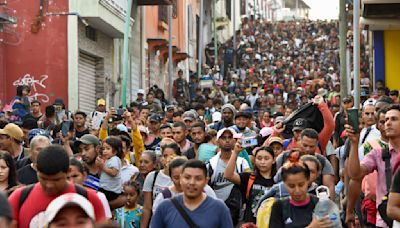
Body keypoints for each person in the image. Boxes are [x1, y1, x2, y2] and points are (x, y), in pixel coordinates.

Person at [8, 145, 105, 227]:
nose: (49, 185)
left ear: (68, 171)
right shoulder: (19, 198)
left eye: (56, 179)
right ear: (36, 169)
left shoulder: (90, 198)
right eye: (44, 178)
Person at [346, 104, 400, 228]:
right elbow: (355, 174)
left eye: (394, 119)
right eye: (386, 120)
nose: (388, 123)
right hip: (385, 222)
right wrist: (354, 144)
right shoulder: (377, 153)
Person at [151, 160, 233, 228]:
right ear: (181, 179)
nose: (192, 182)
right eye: (187, 177)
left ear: (206, 181)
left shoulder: (219, 208)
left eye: (198, 178)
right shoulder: (164, 207)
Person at [268, 152, 333, 228]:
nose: (297, 190)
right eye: (291, 186)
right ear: (284, 184)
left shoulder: (319, 204)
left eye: (301, 185)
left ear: (308, 180)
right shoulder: (279, 207)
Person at [207, 127, 251, 225]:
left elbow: (249, 185)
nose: (227, 140)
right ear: (217, 141)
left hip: (238, 210)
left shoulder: (242, 163)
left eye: (230, 137)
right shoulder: (210, 164)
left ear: (235, 141)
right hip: (217, 209)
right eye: (223, 138)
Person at [224, 146, 275, 223]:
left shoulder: (279, 180)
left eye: (266, 158)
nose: (262, 162)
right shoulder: (249, 178)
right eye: (259, 158)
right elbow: (228, 175)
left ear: (273, 160)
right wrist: (235, 153)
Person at [140, 142, 181, 228]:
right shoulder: (153, 176)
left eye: (172, 155)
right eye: (165, 156)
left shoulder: (182, 178)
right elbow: (147, 207)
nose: (168, 159)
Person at [98, 136, 122, 201]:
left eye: (108, 149)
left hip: (111, 191)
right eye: (103, 149)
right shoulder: (108, 160)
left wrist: (102, 167)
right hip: (105, 188)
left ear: (115, 151)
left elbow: (114, 173)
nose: (105, 151)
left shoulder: (114, 159)